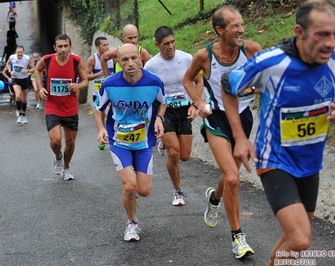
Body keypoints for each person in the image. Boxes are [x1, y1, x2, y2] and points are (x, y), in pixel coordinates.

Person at [221, 1, 335, 265]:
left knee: (293, 241)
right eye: (322, 34)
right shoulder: (271, 63)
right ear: (300, 31)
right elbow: (228, 86)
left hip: (310, 163)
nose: (330, 42)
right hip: (275, 159)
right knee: (300, 239)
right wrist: (239, 138)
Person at [182, 5, 262, 259]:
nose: (241, 29)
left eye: (241, 24)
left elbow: (266, 79)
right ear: (220, 30)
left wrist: (256, 88)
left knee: (231, 177)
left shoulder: (251, 49)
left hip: (244, 118)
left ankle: (214, 198)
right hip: (216, 118)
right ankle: (238, 238)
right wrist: (198, 102)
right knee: (233, 178)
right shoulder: (204, 56)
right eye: (234, 26)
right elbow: (187, 80)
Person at [93, 43, 166, 242]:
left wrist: (159, 118)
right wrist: (101, 128)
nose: (130, 63)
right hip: (119, 141)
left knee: (144, 191)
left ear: (141, 58)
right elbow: (98, 108)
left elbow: (162, 102)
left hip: (144, 142)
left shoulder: (155, 81)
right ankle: (131, 223)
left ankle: (132, 204)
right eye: (124, 60)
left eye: (134, 58)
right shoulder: (110, 84)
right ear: (118, 62)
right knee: (130, 187)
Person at [144, 26, 203, 206]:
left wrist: (195, 104)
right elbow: (147, 92)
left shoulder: (186, 58)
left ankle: (165, 144)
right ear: (157, 45)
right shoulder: (151, 65)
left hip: (184, 110)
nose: (170, 47)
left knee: (184, 156)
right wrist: (153, 116)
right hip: (164, 112)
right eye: (165, 44)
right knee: (174, 153)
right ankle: (178, 191)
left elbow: (199, 81)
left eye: (172, 42)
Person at [35, 34, 88, 181]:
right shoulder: (47, 60)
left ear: (70, 47)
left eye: (66, 46)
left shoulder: (76, 61)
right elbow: (37, 71)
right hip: (52, 106)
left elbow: (85, 81)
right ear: (55, 48)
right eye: (60, 46)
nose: (63, 49)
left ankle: (66, 167)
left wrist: (77, 85)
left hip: (70, 107)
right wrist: (40, 88)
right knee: (56, 141)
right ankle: (58, 156)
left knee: (70, 143)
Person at [6, 45, 35, 124]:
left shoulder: (27, 58)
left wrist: (27, 71)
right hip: (15, 79)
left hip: (24, 79)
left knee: (24, 98)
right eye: (18, 52)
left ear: (23, 52)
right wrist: (10, 71)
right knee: (18, 96)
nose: (19, 54)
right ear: (16, 52)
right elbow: (8, 64)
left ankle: (23, 114)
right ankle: (19, 115)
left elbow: (33, 68)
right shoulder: (12, 57)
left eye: (21, 52)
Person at [85, 37, 114, 103]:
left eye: (108, 44)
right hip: (97, 92)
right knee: (100, 112)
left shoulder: (113, 57)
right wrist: (99, 74)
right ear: (98, 48)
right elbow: (85, 77)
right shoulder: (92, 59)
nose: (107, 47)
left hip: (110, 90)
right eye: (104, 45)